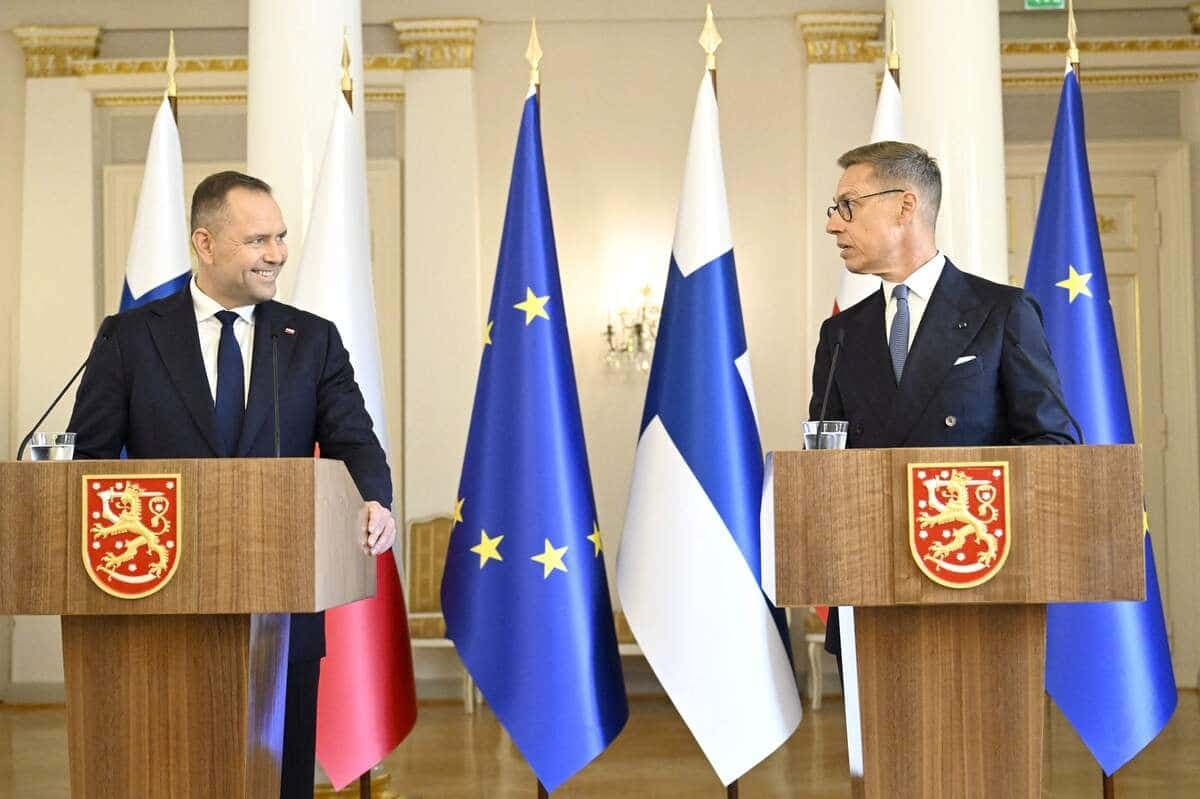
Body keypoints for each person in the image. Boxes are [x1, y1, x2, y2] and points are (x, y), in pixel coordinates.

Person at [67, 170, 396, 799]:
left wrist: (374, 500)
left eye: (281, 237)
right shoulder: (129, 336)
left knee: (281, 779)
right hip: (159, 611)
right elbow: (89, 460)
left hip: (284, 603)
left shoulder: (312, 339)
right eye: (257, 240)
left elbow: (354, 441)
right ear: (205, 243)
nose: (277, 253)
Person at [809, 141, 1075, 665]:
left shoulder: (1002, 311)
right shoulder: (840, 334)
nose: (833, 225)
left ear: (905, 206)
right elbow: (822, 461)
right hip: (869, 591)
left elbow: (1052, 445)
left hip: (977, 587)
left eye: (848, 207)